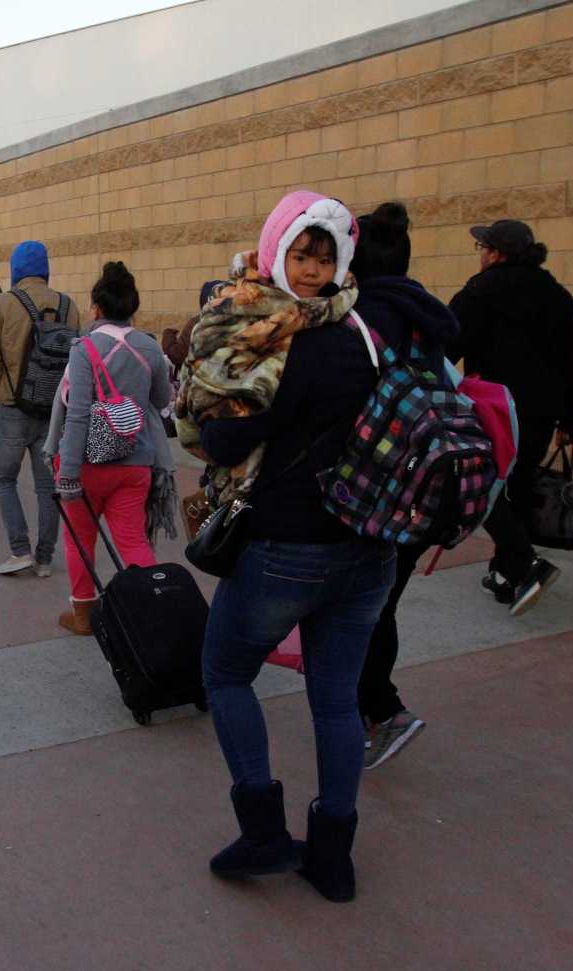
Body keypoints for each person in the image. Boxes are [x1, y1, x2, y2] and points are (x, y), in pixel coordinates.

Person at [188, 190, 390, 904]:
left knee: (225, 675)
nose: (309, 270)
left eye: (321, 257)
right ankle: (332, 859)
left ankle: (265, 832)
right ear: (278, 249)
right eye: (301, 254)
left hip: (286, 546)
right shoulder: (365, 330)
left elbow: (222, 438)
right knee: (335, 701)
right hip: (368, 548)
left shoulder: (279, 336)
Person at [348, 202, 460, 770]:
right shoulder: (428, 318)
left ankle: (379, 711)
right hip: (426, 484)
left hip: (376, 486)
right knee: (381, 600)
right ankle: (372, 708)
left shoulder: (361, 319)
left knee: (364, 605)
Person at [449, 219, 573, 616]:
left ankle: (525, 562)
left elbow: (448, 344)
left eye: (482, 248)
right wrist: (569, 418)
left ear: (495, 253)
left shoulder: (480, 292)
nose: (480, 256)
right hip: (541, 414)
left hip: (495, 411)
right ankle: (508, 576)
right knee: (518, 488)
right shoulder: (558, 296)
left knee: (480, 489)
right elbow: (572, 361)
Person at [48, 261, 171, 634]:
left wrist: (67, 473)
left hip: (86, 464)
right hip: (135, 461)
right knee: (132, 541)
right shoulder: (149, 347)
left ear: (96, 308)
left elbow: (78, 415)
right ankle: (153, 612)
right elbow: (161, 399)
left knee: (79, 539)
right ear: (132, 307)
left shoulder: (84, 349)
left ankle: (84, 615)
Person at [0, 241, 82, 577]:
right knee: (46, 486)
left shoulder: (2, 304)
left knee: (5, 480)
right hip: (53, 411)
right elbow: (76, 362)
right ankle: (45, 558)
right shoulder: (69, 307)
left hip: (10, 408)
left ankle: (19, 550)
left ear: (16, 269)